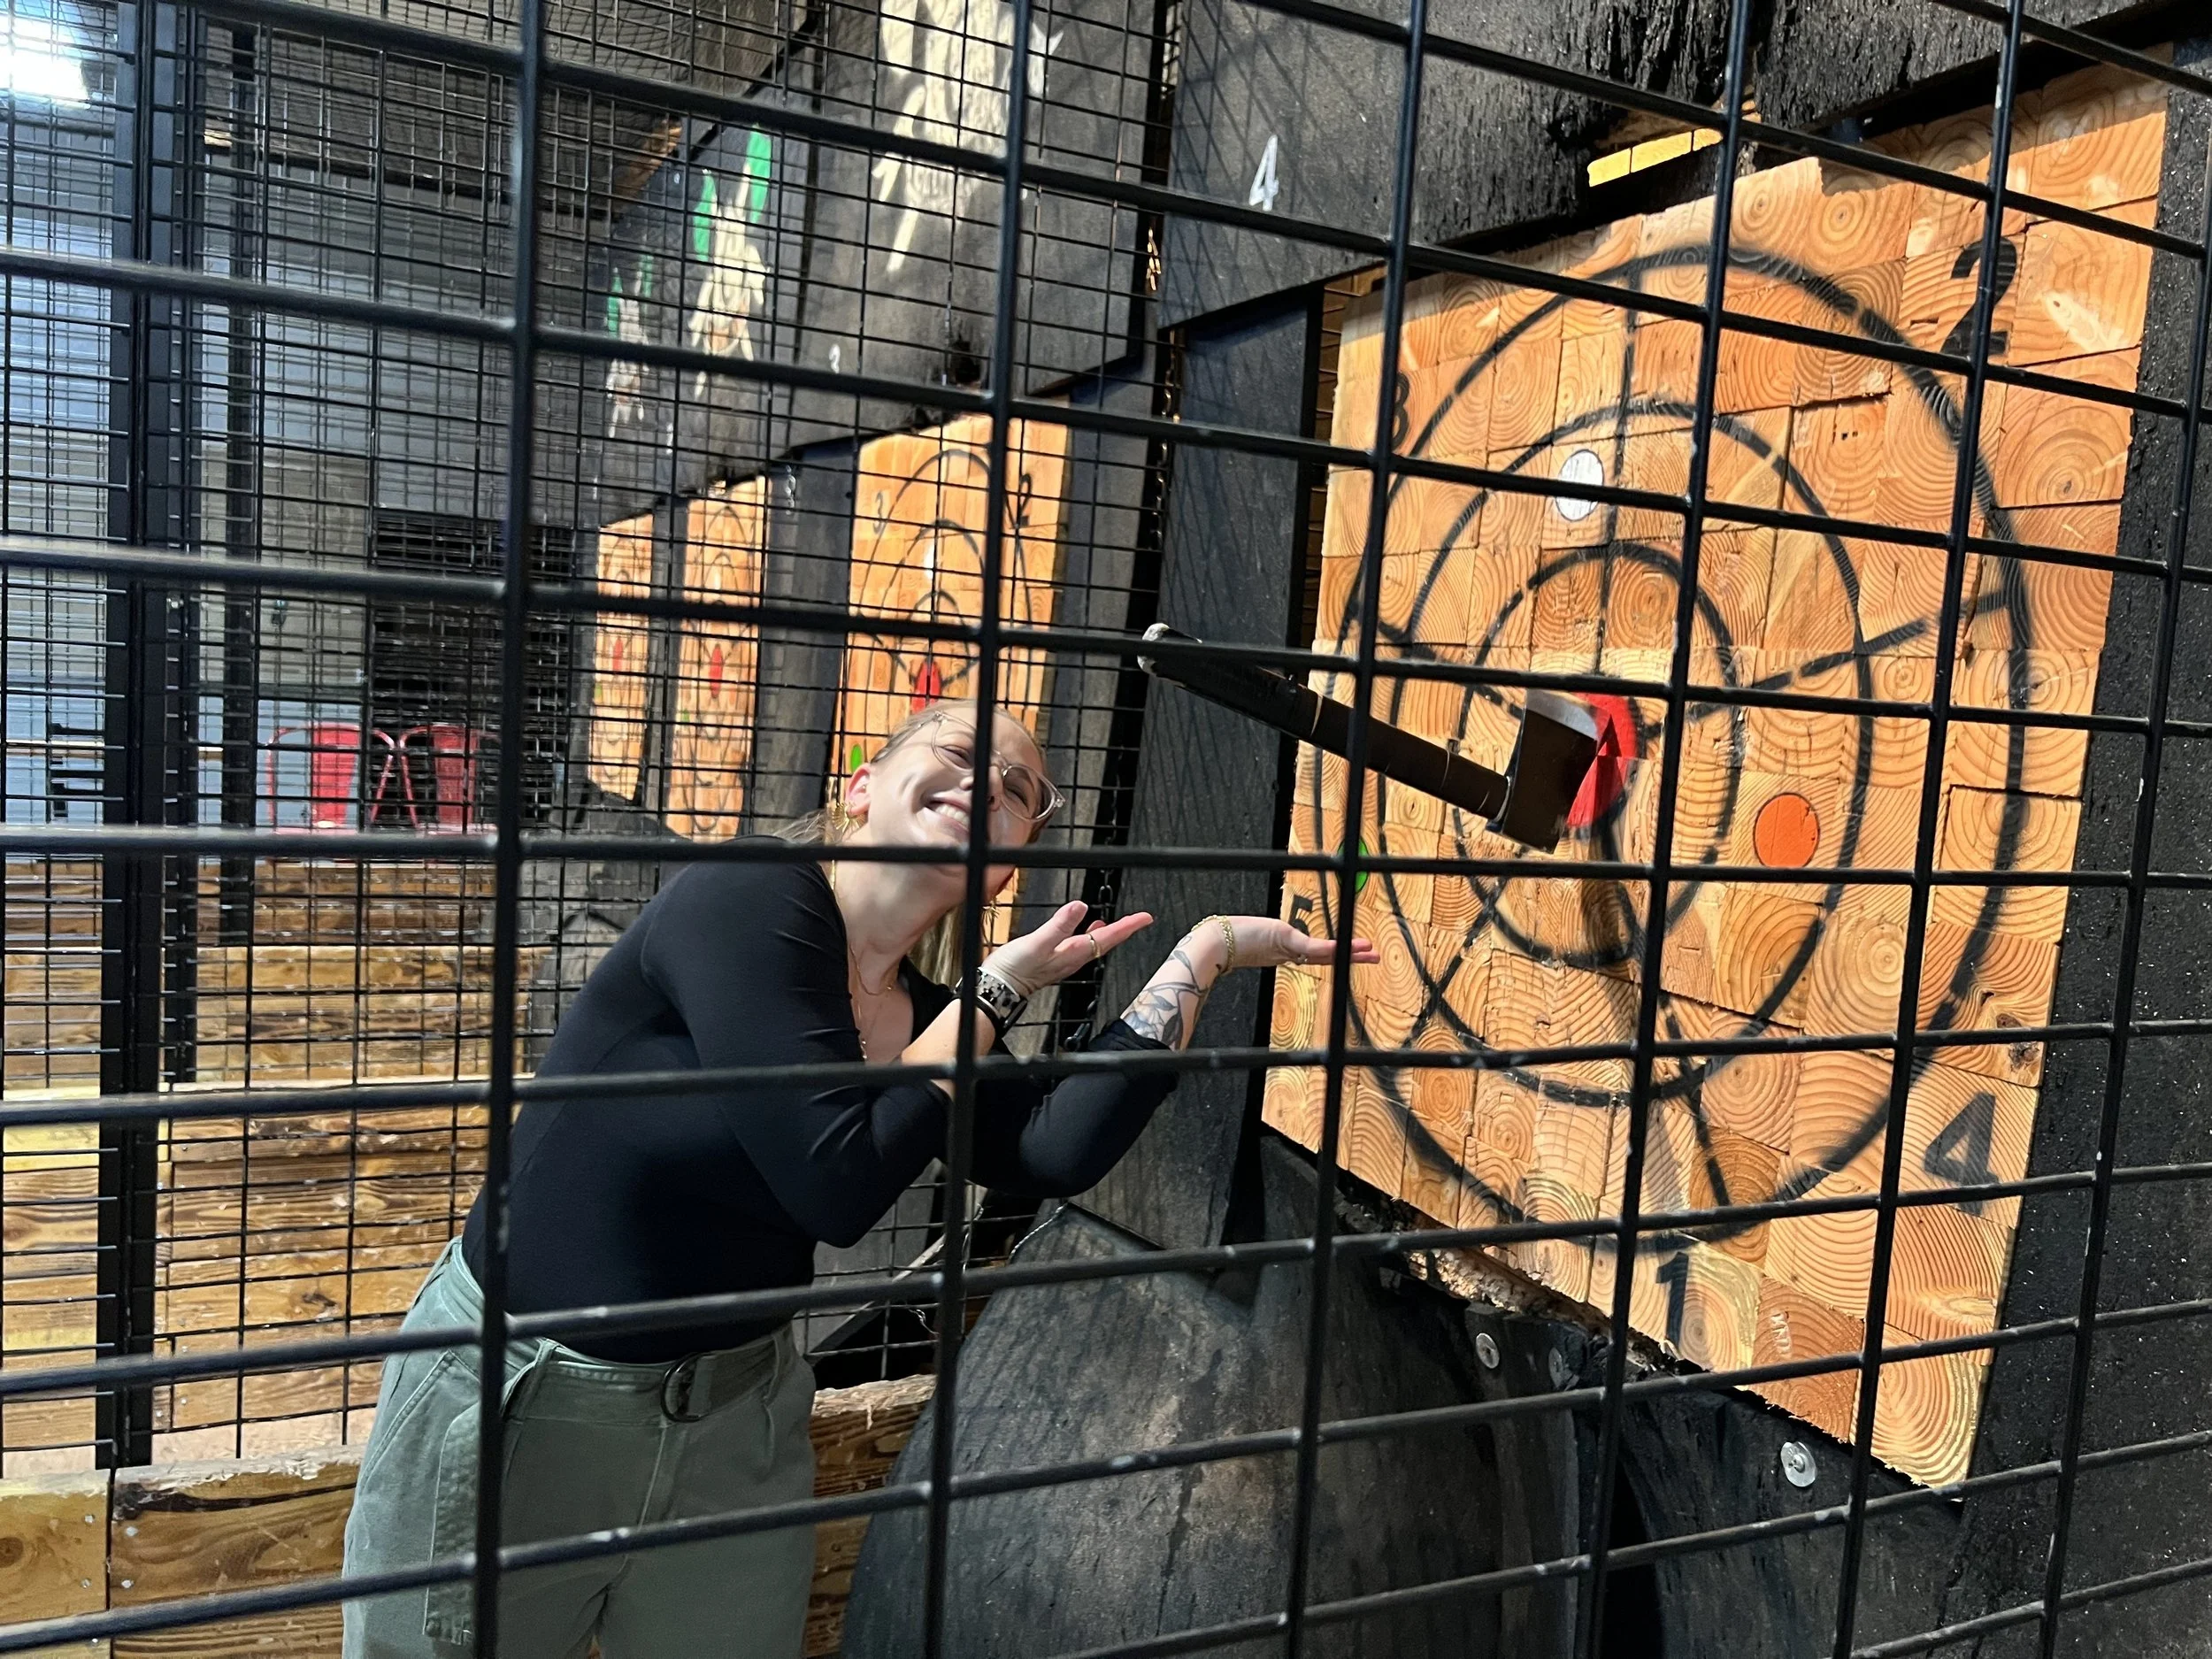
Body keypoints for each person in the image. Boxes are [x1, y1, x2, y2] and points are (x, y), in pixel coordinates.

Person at [341, 697, 1371, 1659]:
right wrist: (997, 987)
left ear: (1007, 867)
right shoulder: (747, 897)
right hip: (532, 1398)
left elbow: (1050, 1150)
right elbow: (831, 1181)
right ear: (861, 785)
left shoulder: (929, 1014)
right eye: (961, 756)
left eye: (1017, 792)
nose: (989, 785)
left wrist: (1201, 956)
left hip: (736, 1420)